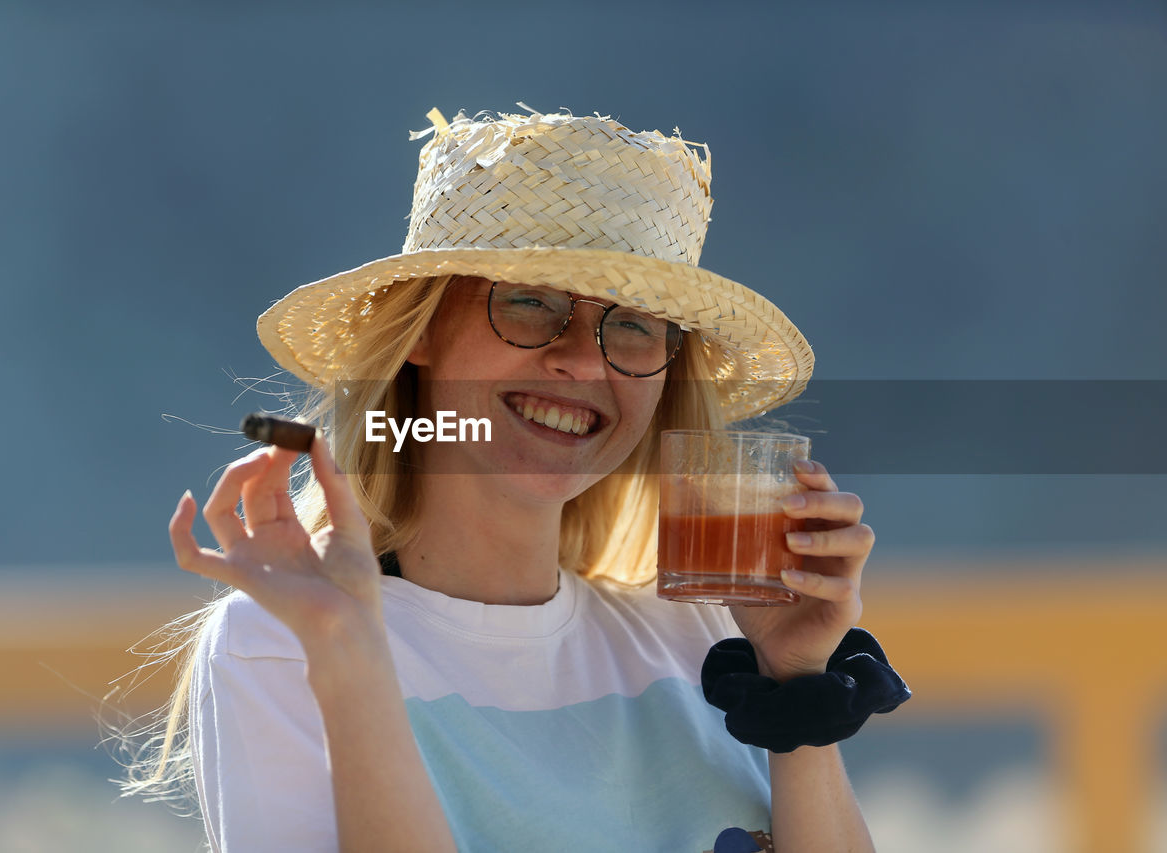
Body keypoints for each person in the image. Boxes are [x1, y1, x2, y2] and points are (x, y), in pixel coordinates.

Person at [138, 108, 897, 852]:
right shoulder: (287, 641)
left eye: (632, 323)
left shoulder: (709, 638)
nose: (583, 360)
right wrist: (353, 658)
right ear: (424, 330)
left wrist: (796, 689)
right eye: (531, 303)